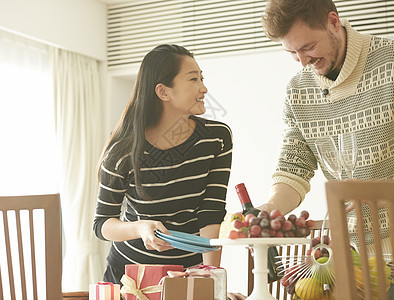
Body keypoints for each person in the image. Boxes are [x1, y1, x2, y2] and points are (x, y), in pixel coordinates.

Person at [257, 0, 393, 296]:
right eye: (291, 53)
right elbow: (294, 166)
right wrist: (269, 210)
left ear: (333, 21)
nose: (302, 60)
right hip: (347, 257)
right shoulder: (299, 90)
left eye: (307, 47)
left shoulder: (390, 62)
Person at [93, 44, 246, 300]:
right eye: (193, 79)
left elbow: (210, 214)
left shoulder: (216, 139)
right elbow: (102, 224)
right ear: (163, 92)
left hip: (186, 276)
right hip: (131, 279)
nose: (204, 88)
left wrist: (213, 281)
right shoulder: (123, 153)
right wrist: (140, 228)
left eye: (202, 78)